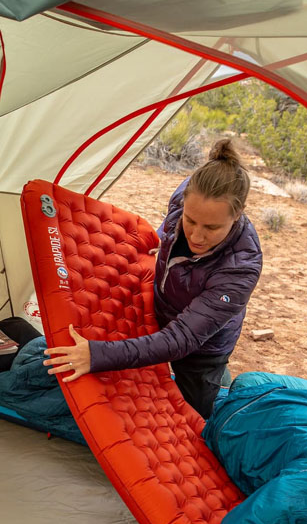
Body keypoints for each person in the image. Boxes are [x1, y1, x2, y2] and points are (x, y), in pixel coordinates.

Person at [43, 138, 263, 418]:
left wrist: (97, 355)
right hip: (164, 306)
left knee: (197, 416)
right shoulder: (187, 194)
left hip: (202, 346)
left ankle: (216, 376)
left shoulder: (241, 267)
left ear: (238, 214)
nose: (196, 236)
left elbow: (182, 338)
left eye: (211, 227)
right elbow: (168, 228)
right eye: (190, 220)